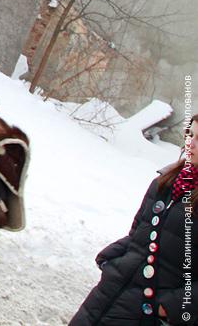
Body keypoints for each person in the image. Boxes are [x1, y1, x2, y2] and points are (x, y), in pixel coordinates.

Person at [70, 115, 196, 325]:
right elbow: (139, 234)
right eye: (190, 134)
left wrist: (172, 307)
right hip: (111, 293)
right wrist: (114, 257)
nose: (190, 142)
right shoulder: (165, 182)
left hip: (151, 313)